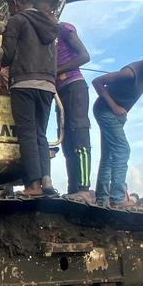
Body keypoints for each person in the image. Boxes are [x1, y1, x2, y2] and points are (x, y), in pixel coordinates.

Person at [93, 43, 143, 207]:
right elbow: (97, 82)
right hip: (106, 110)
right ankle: (117, 198)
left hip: (116, 115)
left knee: (109, 156)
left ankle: (101, 199)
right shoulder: (130, 73)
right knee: (123, 150)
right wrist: (114, 107)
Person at [2, 0, 59, 197]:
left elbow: (6, 54)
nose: (10, 9)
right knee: (40, 134)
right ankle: (47, 180)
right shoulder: (49, 24)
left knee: (27, 134)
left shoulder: (17, 20)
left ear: (15, 3)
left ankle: (33, 186)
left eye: (9, 5)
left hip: (24, 82)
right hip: (48, 85)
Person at [55, 20, 92, 194]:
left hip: (74, 87)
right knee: (67, 142)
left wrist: (56, 70)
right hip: (60, 92)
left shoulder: (63, 28)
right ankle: (73, 190)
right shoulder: (45, 37)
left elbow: (84, 56)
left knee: (79, 137)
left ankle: (84, 189)